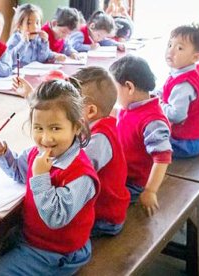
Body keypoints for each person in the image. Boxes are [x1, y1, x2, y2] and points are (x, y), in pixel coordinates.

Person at [0, 80, 100, 275]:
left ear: (77, 127)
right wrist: (1, 151)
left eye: (55, 128)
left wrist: (40, 176)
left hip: (59, 252)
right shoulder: (38, 153)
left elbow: (55, 217)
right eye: (38, 128)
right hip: (32, 237)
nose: (45, 138)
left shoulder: (81, 175)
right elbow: (19, 173)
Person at [109, 55, 172, 216]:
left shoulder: (152, 121)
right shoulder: (131, 106)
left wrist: (150, 191)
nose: (113, 96)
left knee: (99, 200)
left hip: (135, 182)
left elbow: (162, 158)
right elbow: (123, 116)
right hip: (122, 171)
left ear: (129, 87)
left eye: (114, 90)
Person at [73, 66, 130, 236]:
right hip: (104, 208)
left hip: (105, 217)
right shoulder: (94, 125)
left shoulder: (100, 139)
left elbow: (76, 173)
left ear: (90, 111)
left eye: (70, 105)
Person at [160, 25, 199, 158]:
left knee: (145, 142)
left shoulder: (184, 84)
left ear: (195, 57)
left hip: (185, 143)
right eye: (169, 45)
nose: (171, 51)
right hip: (191, 138)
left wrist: (160, 105)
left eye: (179, 48)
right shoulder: (181, 73)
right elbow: (168, 89)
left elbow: (176, 115)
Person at [6, 3, 55, 68]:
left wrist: (44, 43)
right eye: (29, 23)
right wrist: (24, 43)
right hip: (17, 74)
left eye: (37, 23)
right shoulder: (15, 39)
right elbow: (11, 60)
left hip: (34, 73)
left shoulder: (38, 39)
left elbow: (42, 59)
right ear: (19, 26)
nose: (34, 27)